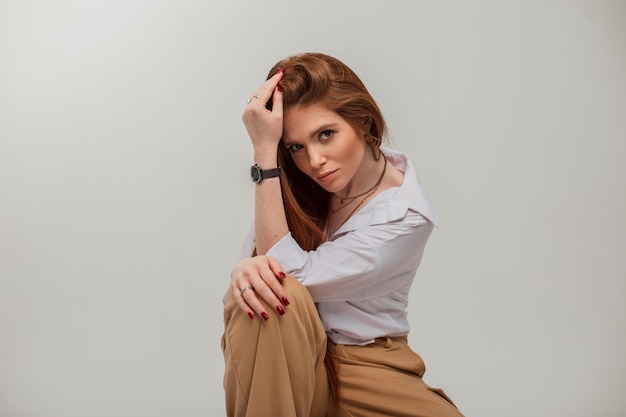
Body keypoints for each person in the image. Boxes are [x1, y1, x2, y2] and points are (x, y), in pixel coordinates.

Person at [221, 52, 464, 417]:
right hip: (284, 353)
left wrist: (259, 266)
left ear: (363, 122)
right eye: (296, 147)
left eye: (326, 135)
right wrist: (264, 154)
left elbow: (293, 272)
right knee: (272, 294)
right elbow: (266, 278)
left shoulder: (406, 214)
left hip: (368, 363)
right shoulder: (288, 183)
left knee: (278, 284)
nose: (314, 160)